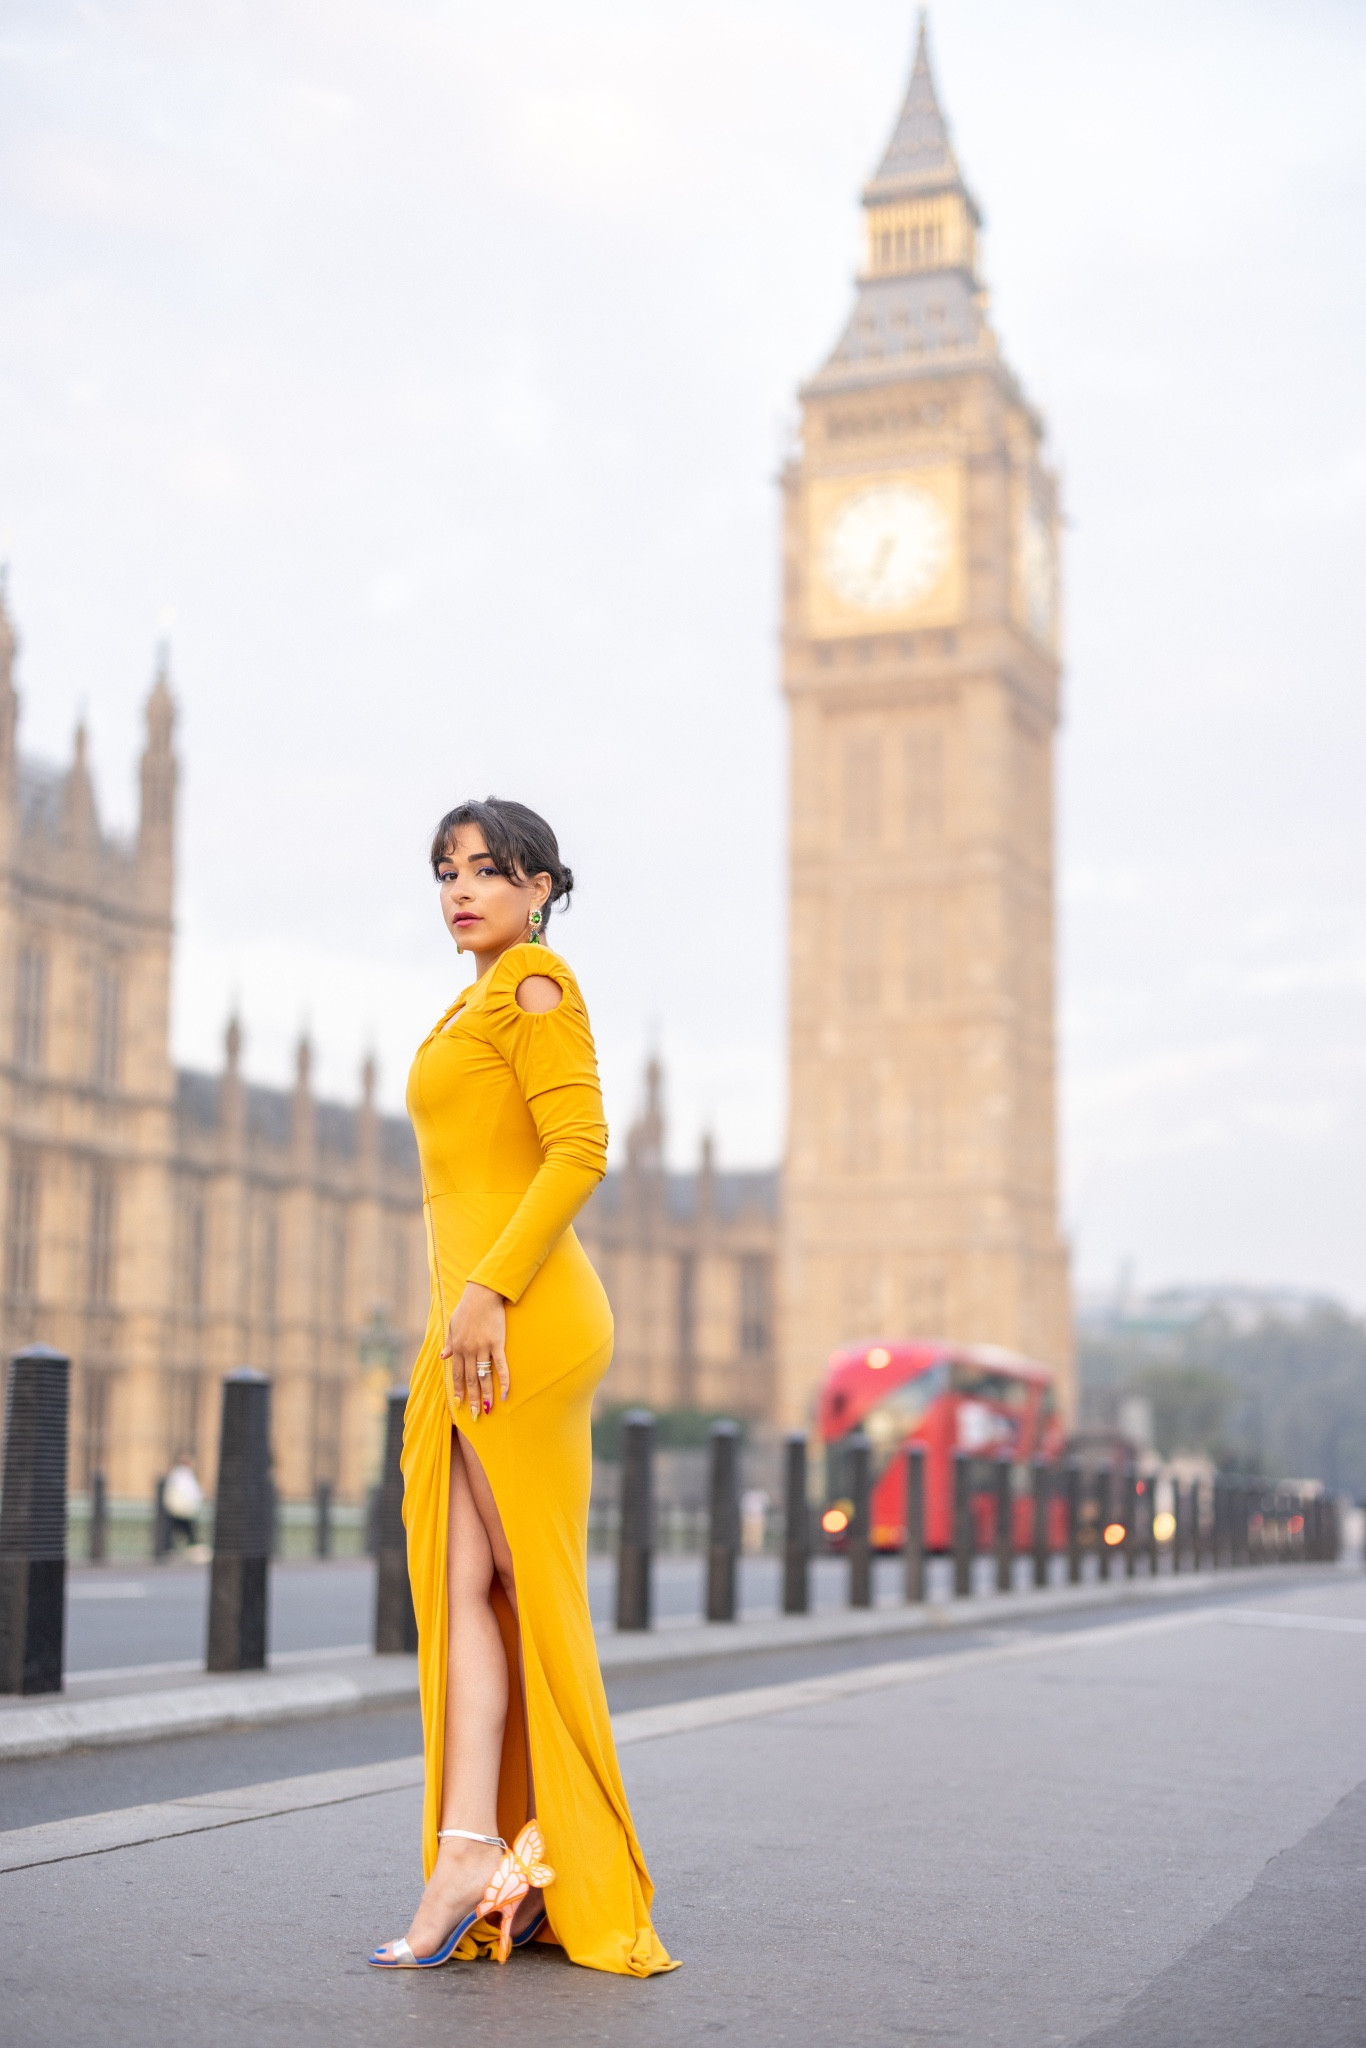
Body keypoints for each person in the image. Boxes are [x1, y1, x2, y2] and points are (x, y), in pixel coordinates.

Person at [369, 797, 677, 1977]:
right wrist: (464, 1301)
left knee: (525, 1591)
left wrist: (490, 1288)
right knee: (468, 1587)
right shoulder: (474, 997)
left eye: (488, 868)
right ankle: (480, 1850)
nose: (460, 887)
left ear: (540, 886)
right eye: (445, 869)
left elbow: (580, 1146)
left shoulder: (536, 983)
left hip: (521, 1320)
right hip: (467, 1322)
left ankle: (546, 1861)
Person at [161, 1453, 203, 1550]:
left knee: (179, 1528)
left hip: (180, 1508)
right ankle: (191, 1545)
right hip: (183, 1507)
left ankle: (173, 1546)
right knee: (184, 1527)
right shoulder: (182, 1475)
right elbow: (189, 1491)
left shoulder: (179, 1474)